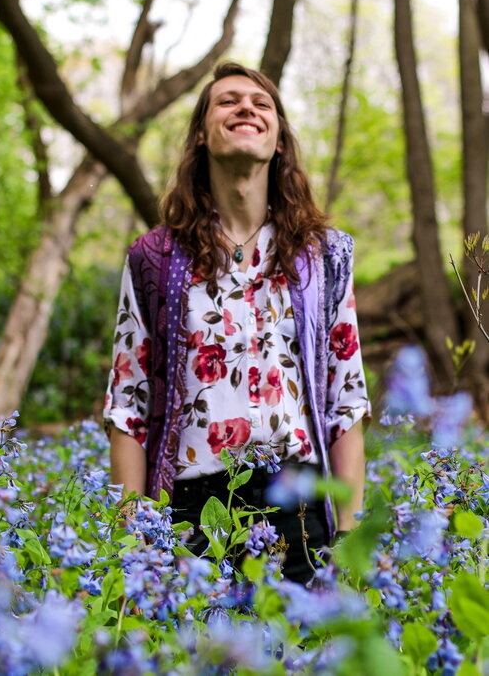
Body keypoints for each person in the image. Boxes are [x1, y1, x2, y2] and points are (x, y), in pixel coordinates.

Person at [104, 62, 370, 584]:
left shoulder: (325, 255)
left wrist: (349, 533)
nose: (245, 106)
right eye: (227, 101)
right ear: (201, 135)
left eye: (261, 102)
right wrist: (133, 537)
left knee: (302, 661)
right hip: (189, 514)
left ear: (279, 142)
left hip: (300, 507)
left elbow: (347, 395)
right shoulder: (154, 257)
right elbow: (128, 404)